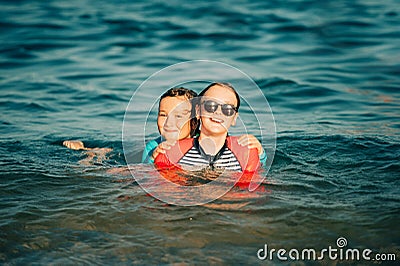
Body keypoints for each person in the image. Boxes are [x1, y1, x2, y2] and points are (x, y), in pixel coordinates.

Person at [154, 82, 264, 174]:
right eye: (210, 105)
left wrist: (261, 153)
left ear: (234, 117)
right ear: (198, 111)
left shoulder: (246, 154)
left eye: (228, 109)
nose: (218, 112)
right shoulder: (171, 152)